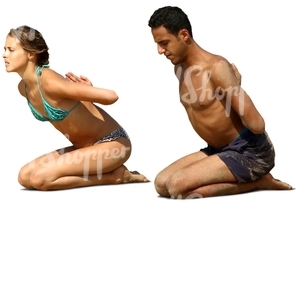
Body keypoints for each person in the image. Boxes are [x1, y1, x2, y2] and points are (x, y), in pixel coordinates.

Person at [148, 6, 292, 199]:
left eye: (164, 43)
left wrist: (236, 91)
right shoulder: (180, 70)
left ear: (184, 35)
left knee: (177, 187)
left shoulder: (216, 68)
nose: (160, 51)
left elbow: (258, 125)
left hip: (250, 151)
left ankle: (259, 181)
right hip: (217, 150)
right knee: (161, 184)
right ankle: (242, 176)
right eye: (157, 44)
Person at [3, 25, 148, 191]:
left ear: (31, 54)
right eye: (5, 49)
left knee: (39, 179)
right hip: (84, 148)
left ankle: (116, 176)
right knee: (24, 177)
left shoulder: (50, 83)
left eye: (11, 50)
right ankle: (110, 172)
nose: (4, 54)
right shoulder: (24, 88)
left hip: (113, 144)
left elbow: (111, 96)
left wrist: (90, 91)